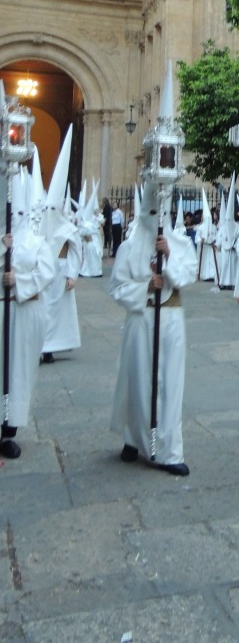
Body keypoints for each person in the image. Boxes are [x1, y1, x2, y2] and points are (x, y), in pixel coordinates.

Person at [109, 68, 197, 475]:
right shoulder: (130, 244)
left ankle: (169, 449)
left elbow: (189, 275)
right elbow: (118, 286)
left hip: (172, 318)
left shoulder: (177, 240)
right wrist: (147, 284)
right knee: (139, 381)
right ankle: (134, 438)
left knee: (170, 384)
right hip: (143, 320)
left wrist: (170, 265)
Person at [0, 156, 56, 459]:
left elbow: (46, 273)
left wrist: (17, 281)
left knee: (18, 370)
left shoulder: (36, 241)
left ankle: (10, 429)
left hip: (24, 312)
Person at [39, 128, 83, 364]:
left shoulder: (68, 228)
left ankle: (52, 346)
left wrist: (72, 274)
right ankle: (41, 344)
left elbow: (76, 250)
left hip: (62, 270)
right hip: (44, 273)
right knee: (43, 309)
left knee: (57, 311)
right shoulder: (40, 227)